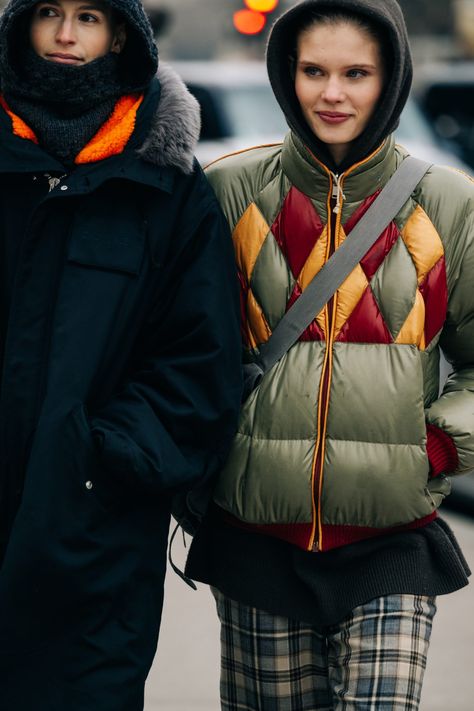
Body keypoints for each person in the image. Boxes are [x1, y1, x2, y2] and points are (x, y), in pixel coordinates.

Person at [185, 0, 474, 708]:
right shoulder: (228, 192)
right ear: (287, 72)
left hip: (392, 542)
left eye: (357, 72)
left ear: (392, 78)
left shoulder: (448, 202)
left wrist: (433, 446)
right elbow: (184, 350)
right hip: (257, 545)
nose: (333, 93)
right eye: (314, 70)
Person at [0, 1, 242, 708]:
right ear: (20, 26)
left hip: (92, 553)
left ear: (122, 35)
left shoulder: (165, 183)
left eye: (90, 16)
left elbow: (199, 367)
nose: (67, 35)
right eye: (48, 11)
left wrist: (96, 463)